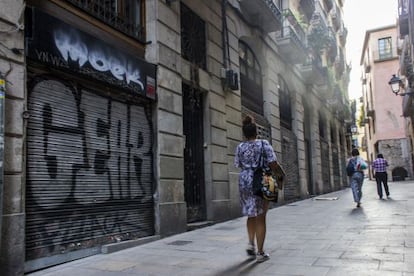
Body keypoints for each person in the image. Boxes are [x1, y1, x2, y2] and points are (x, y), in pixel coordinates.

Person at [234, 115, 283, 263]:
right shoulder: (264, 144)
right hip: (262, 179)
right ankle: (260, 252)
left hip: (244, 181)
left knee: (251, 214)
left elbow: (238, 164)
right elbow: (273, 164)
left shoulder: (240, 147)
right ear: (256, 132)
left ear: (244, 134)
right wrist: (281, 177)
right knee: (261, 216)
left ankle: (251, 244)